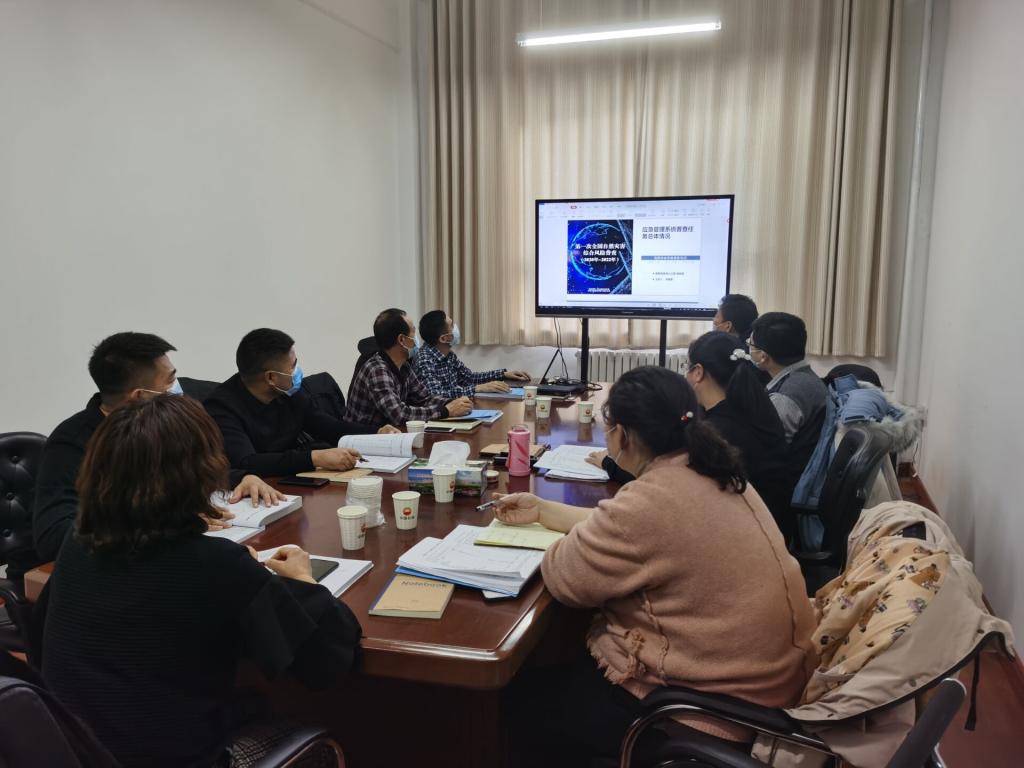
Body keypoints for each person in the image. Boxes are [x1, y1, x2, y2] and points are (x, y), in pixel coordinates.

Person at [496, 366, 816, 766]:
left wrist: (564, 535)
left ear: (622, 435)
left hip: (696, 712)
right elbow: (642, 534)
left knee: (517, 705)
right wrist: (546, 511)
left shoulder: (649, 502)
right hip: (763, 689)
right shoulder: (712, 469)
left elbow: (566, 577)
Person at [33, 396, 361, 768]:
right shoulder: (216, 565)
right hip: (180, 758)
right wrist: (305, 581)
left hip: (76, 751)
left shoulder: (76, 543)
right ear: (201, 475)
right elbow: (325, 664)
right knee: (313, 732)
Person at [33, 332, 281, 563]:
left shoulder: (161, 428)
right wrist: (169, 523)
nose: (178, 387)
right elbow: (54, 536)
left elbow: (184, 473)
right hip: (102, 569)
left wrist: (241, 478)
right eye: (170, 380)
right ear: (140, 396)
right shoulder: (71, 443)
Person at [205, 328, 395, 478]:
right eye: (293, 365)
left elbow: (327, 426)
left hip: (294, 478)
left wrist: (376, 433)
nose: (297, 371)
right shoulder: (221, 407)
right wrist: (315, 458)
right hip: (259, 490)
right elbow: (247, 461)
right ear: (271, 377)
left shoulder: (288, 392)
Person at [345, 308, 472, 429]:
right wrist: (446, 410)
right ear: (402, 340)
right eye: (413, 332)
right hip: (365, 438)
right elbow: (400, 415)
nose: (417, 338)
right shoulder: (377, 370)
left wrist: (454, 402)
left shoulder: (404, 366)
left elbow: (425, 398)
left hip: (390, 433)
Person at [748, 312, 828, 443]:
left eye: (750, 344)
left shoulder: (784, 399)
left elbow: (766, 447)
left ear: (762, 356)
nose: (749, 349)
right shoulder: (807, 377)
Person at [412, 310, 530, 398]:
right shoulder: (424, 360)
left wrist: (503, 374)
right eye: (451, 325)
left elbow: (469, 378)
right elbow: (436, 394)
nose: (455, 328)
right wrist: (477, 389)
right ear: (443, 338)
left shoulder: (449, 355)